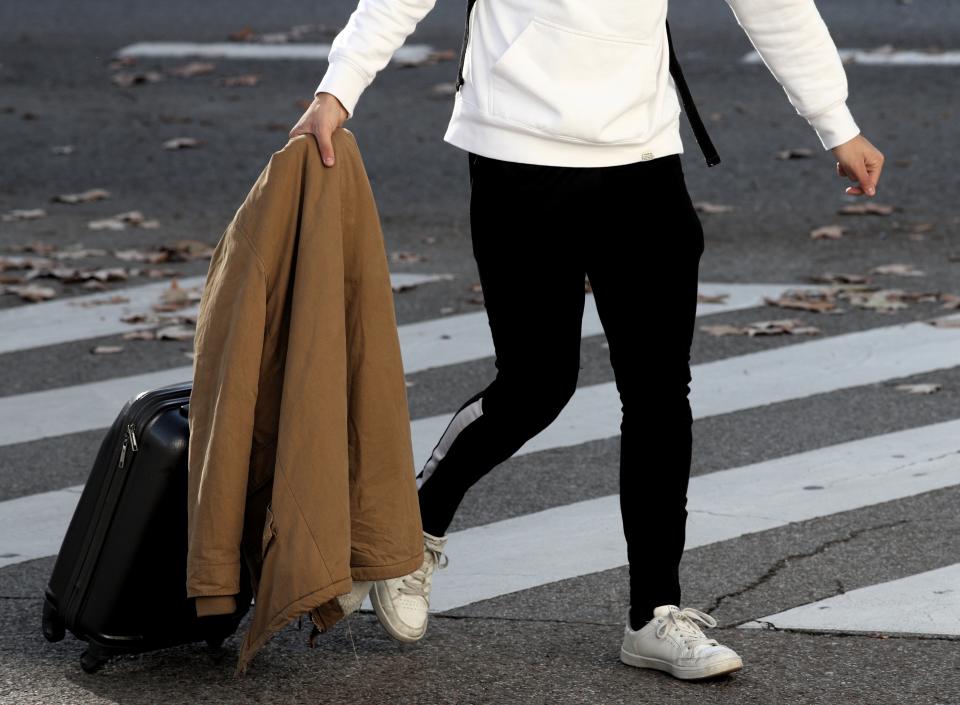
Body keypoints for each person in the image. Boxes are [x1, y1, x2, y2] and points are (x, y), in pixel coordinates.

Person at [290, 0, 884, 681]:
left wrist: (836, 123)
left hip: (643, 157)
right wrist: (339, 89)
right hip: (517, 153)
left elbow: (771, 3)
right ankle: (413, 525)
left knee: (660, 390)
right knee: (535, 386)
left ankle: (655, 614)